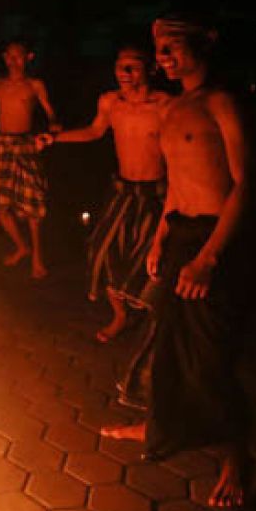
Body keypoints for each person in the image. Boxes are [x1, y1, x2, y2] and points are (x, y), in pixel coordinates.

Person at [102, 15, 250, 508]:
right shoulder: (176, 107)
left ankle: (235, 461)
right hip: (181, 233)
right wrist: (160, 237)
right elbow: (176, 181)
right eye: (159, 50)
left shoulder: (220, 102)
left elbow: (246, 185)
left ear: (203, 45)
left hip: (213, 241)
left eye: (173, 48)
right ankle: (159, 424)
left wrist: (209, 258)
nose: (163, 57)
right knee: (166, 342)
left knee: (209, 355)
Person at [37, 47, 170, 342]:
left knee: (151, 260)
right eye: (120, 67)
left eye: (132, 67)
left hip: (156, 195)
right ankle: (121, 315)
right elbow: (95, 131)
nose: (124, 73)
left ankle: (153, 321)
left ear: (150, 70)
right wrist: (55, 138)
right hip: (123, 191)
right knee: (103, 251)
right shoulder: (111, 102)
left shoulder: (164, 105)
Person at [0, 41, 61, 279]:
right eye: (10, 57)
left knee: (31, 204)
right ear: (4, 57)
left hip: (25, 144)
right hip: (2, 145)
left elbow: (51, 112)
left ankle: (37, 257)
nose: (13, 61)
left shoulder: (34, 85)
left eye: (19, 57)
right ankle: (21, 246)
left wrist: (54, 126)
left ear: (29, 57)